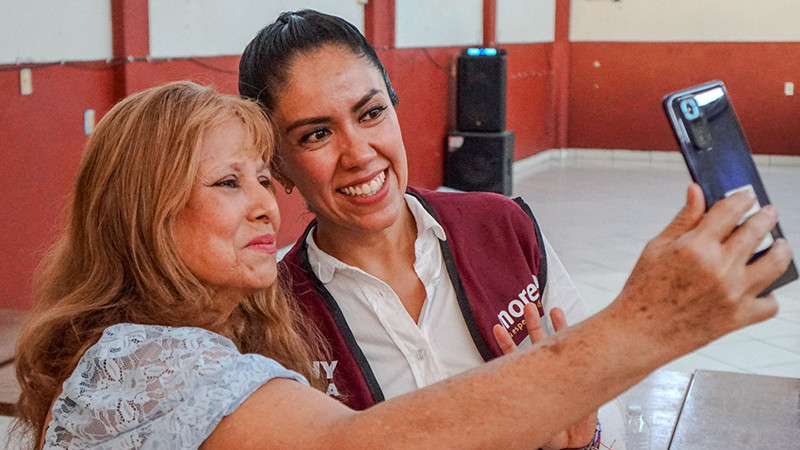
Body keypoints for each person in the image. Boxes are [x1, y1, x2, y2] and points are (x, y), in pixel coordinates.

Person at [13, 81, 790, 449]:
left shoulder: (498, 223)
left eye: (259, 176)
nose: (263, 205)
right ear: (140, 214)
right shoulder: (149, 360)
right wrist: (649, 323)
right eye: (227, 182)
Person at [237, 9, 603, 447]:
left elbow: (597, 396)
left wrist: (581, 440)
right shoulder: (273, 314)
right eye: (317, 134)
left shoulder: (503, 226)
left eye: (371, 112)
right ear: (278, 166)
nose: (358, 153)